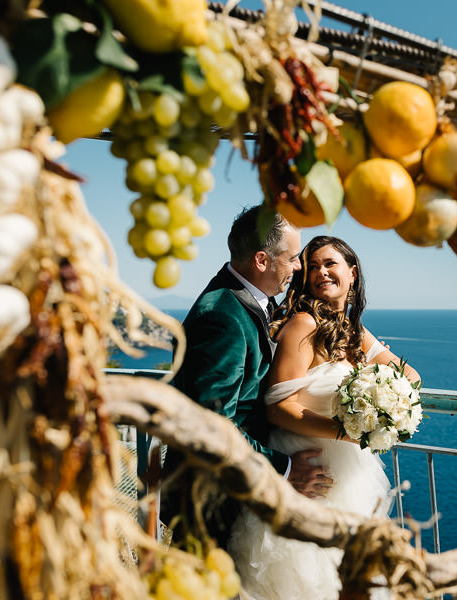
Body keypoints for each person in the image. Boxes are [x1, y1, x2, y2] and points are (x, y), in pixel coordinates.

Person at [229, 235, 420, 600]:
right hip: (308, 474)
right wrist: (349, 431)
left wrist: (386, 399)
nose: (320, 272)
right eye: (312, 266)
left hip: (350, 480)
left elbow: (411, 376)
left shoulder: (352, 331)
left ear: (352, 272)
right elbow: (278, 408)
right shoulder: (303, 324)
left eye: (330, 264)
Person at [160, 206, 331, 551]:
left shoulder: (244, 300)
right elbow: (213, 423)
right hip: (212, 500)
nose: (298, 268)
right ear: (261, 261)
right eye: (293, 258)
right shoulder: (223, 316)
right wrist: (283, 468)